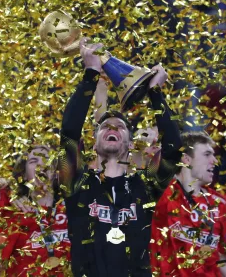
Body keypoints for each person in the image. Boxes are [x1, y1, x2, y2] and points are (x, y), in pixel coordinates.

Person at [58, 38, 182, 276]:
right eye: (105, 126)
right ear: (94, 143)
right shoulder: (77, 182)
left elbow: (174, 147)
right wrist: (91, 73)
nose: (112, 129)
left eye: (120, 127)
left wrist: (155, 92)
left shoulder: (146, 186)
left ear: (129, 142)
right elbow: (69, 134)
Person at [150, 131, 226, 276]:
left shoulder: (218, 202)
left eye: (213, 155)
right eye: (207, 154)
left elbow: (221, 257)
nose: (214, 160)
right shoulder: (164, 192)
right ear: (186, 159)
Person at [0, 145, 71, 276]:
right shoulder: (14, 214)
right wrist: (6, 189)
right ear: (24, 175)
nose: (41, 165)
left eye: (47, 160)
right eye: (33, 161)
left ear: (55, 174)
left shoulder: (72, 211)